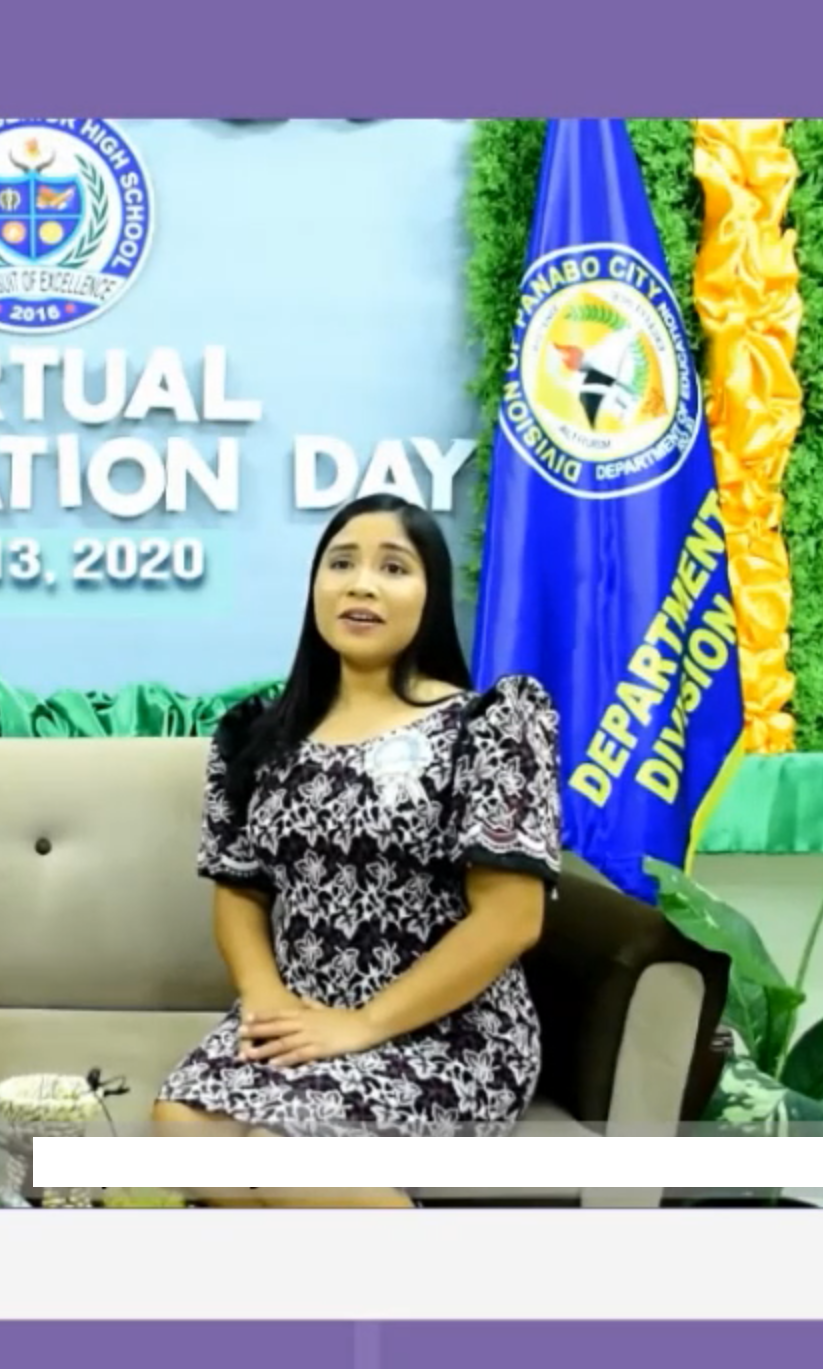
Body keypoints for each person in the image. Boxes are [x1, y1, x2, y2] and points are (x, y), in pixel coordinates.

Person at [150, 493, 561, 1208]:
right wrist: (268, 999)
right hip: (301, 1015)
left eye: (393, 567)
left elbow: (511, 919)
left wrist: (362, 1025)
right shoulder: (255, 732)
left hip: (447, 1029)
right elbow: (240, 889)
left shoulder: (487, 724)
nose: (361, 584)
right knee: (181, 1125)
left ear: (429, 597)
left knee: (284, 1158)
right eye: (341, 563)